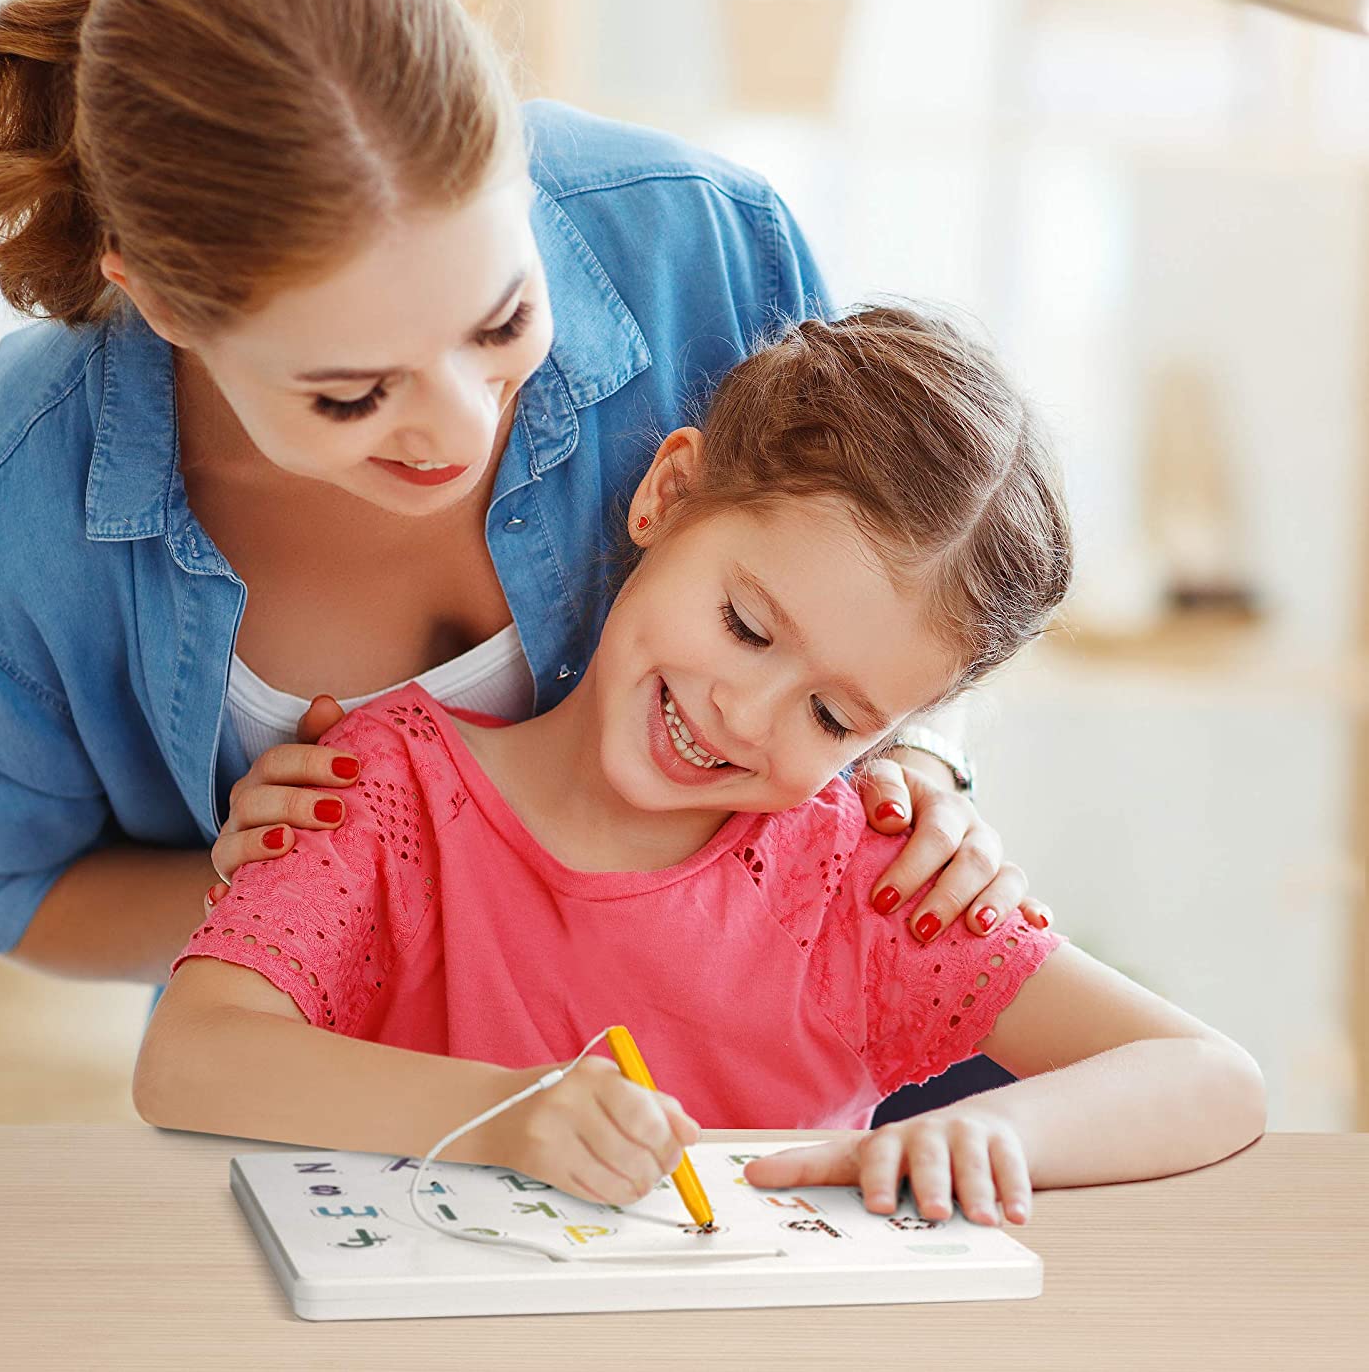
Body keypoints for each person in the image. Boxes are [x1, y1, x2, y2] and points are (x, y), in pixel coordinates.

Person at [0, 0, 1049, 1031]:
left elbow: (897, 569)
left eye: (502, 322)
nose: (457, 432)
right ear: (165, 305)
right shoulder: (5, 524)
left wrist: (928, 770)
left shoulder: (702, 248)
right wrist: (258, 886)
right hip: (335, 1122)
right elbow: (7, 896)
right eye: (351, 394)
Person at [133, 307, 1266, 1226]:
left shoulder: (858, 884)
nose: (743, 713)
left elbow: (1211, 1079)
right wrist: (514, 1113)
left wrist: (996, 1130)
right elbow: (190, 1058)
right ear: (668, 495)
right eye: (745, 625)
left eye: (831, 715)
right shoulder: (388, 793)